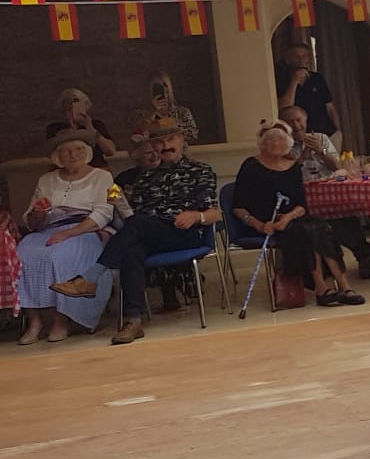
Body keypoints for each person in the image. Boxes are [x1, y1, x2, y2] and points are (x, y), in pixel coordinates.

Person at [52, 117, 220, 345]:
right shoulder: (145, 177)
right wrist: (120, 202)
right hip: (150, 232)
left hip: (184, 233)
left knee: (139, 225)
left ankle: (90, 278)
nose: (166, 146)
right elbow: (132, 217)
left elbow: (215, 213)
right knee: (131, 252)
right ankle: (133, 321)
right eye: (160, 142)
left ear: (181, 140)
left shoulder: (200, 170)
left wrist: (196, 216)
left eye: (171, 139)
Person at [234, 122, 365, 307]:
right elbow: (238, 207)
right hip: (266, 224)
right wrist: (260, 225)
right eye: (270, 140)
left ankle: (344, 285)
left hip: (293, 219)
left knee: (322, 226)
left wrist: (288, 217)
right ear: (262, 143)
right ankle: (321, 287)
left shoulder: (292, 167)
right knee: (308, 231)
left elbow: (301, 206)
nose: (275, 143)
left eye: (280, 139)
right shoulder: (250, 166)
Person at [15, 131, 118, 343]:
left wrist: (69, 233)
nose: (72, 155)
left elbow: (103, 213)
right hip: (48, 229)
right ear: (57, 156)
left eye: (78, 149)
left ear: (87, 152)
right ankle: (35, 321)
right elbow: (31, 219)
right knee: (22, 255)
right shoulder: (46, 179)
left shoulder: (102, 177)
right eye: (66, 151)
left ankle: (61, 320)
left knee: (60, 255)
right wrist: (37, 215)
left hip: (85, 229)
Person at [281, 104, 370, 279]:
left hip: (328, 192)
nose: (296, 125)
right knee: (328, 222)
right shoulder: (282, 145)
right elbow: (290, 173)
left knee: (346, 214)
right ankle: (363, 252)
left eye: (299, 120)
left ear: (306, 120)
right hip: (302, 198)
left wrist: (321, 150)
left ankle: (363, 254)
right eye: (290, 122)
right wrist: (305, 152)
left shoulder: (321, 138)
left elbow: (337, 166)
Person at [275, 41, 341, 147]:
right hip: (300, 135)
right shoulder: (280, 80)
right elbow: (284, 107)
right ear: (288, 59)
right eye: (297, 56)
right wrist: (294, 81)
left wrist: (338, 131)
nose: (301, 59)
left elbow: (330, 107)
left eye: (304, 56)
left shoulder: (317, 78)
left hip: (327, 132)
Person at [44, 89, 117, 166]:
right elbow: (51, 154)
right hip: (66, 169)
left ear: (86, 106)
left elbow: (110, 151)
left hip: (96, 167)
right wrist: (72, 127)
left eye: (77, 105)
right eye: (68, 107)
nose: (73, 109)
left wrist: (90, 128)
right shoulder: (54, 128)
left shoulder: (96, 124)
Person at [143, 72, 201, 145]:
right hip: (155, 152)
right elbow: (139, 139)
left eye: (164, 85)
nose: (162, 91)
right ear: (149, 89)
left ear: (168, 88)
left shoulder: (182, 111)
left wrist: (165, 125)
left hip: (179, 151)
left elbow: (193, 135)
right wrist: (151, 114)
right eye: (157, 88)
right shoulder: (141, 113)